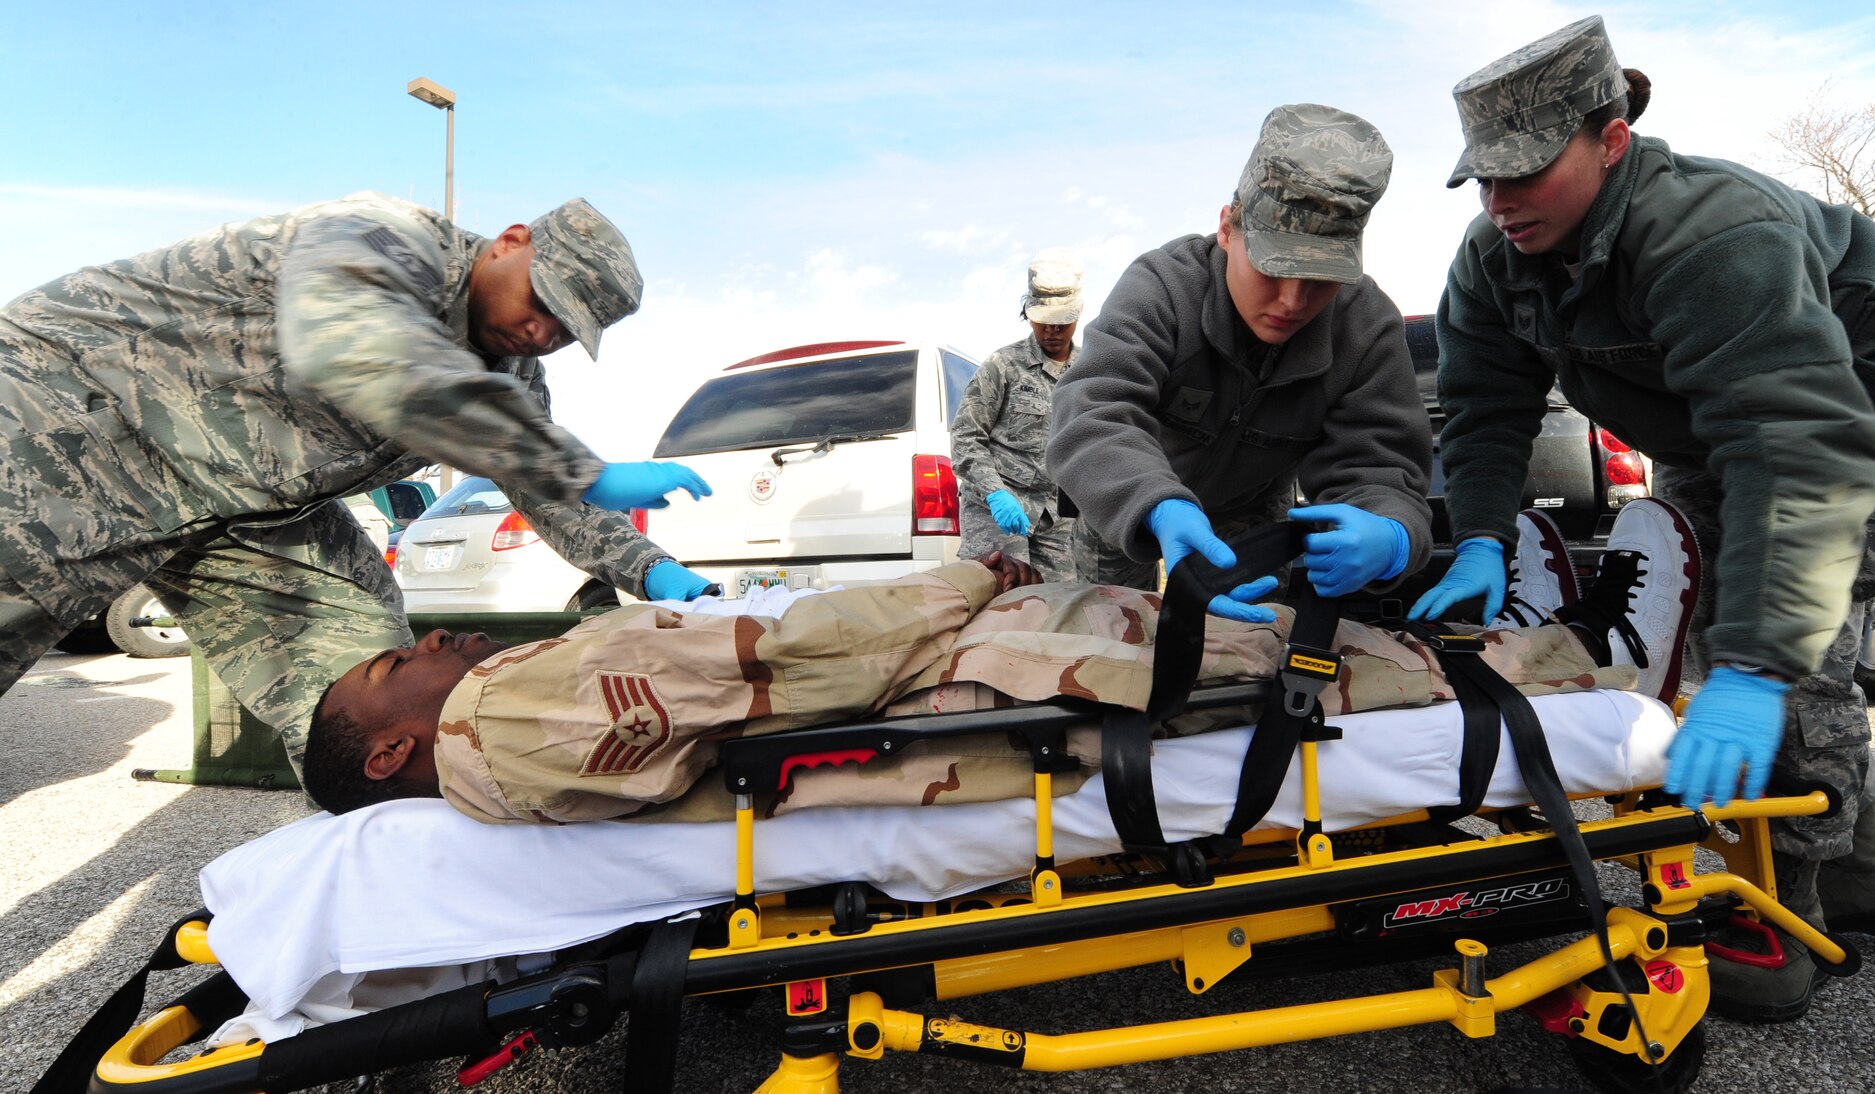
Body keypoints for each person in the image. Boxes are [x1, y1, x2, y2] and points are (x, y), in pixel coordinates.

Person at [1415, 15, 1875, 1023]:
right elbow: (1483, 408)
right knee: (1712, 611)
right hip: (1717, 428)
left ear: (1610, 140)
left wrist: (1755, 666)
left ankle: (1784, 915)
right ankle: (1864, 868)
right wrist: (1479, 534)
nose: (1499, 200)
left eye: (1525, 172)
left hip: (1854, 414)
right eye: (1482, 178)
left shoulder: (1711, 233)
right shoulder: (1495, 256)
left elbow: (1797, 454)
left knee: (1781, 639)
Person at [300, 501, 1697, 824]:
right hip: (972, 689)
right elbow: (801, 661)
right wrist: (977, 573)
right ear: (392, 748)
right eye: (387, 672)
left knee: (1256, 636)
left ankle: (1519, 637)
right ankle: (1587, 669)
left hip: (950, 672)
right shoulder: (509, 712)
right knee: (1273, 663)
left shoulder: (501, 718)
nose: (426, 641)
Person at [0, 193, 720, 769]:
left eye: (565, 330)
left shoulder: (513, 376)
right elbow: (369, 354)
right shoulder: (382, 237)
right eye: (544, 303)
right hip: (66, 419)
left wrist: (651, 571)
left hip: (237, 510)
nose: (542, 333)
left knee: (379, 683)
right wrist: (580, 469)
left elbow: (542, 486)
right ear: (510, 241)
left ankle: (382, 837)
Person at [1046, 104, 1433, 622]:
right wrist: (1157, 504)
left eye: (1320, 279)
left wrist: (1393, 532)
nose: (1292, 302)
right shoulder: (1164, 287)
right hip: (1126, 498)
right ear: (1228, 229)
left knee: (1244, 649)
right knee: (1112, 639)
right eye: (1273, 270)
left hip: (1250, 514)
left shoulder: (1363, 327)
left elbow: (1381, 467)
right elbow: (1093, 408)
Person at [952, 248, 1085, 581]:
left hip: (1055, 517)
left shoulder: (1088, 372)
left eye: (1061, 322)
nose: (1052, 330)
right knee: (1002, 594)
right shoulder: (1003, 365)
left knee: (1061, 601)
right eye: (1043, 321)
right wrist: (994, 492)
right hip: (995, 509)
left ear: (1078, 315)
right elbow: (966, 436)